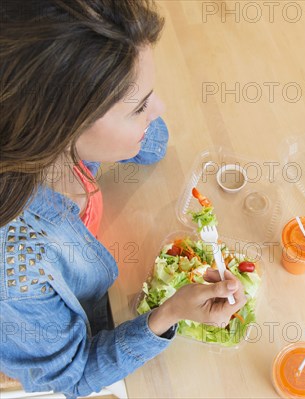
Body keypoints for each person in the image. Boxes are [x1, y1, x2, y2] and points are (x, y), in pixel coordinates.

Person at [0, 1, 246, 397]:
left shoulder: (51, 142)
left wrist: (135, 109)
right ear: (63, 125)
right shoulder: (17, 274)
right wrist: (168, 314)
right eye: (139, 107)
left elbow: (155, 145)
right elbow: (74, 377)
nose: (160, 108)